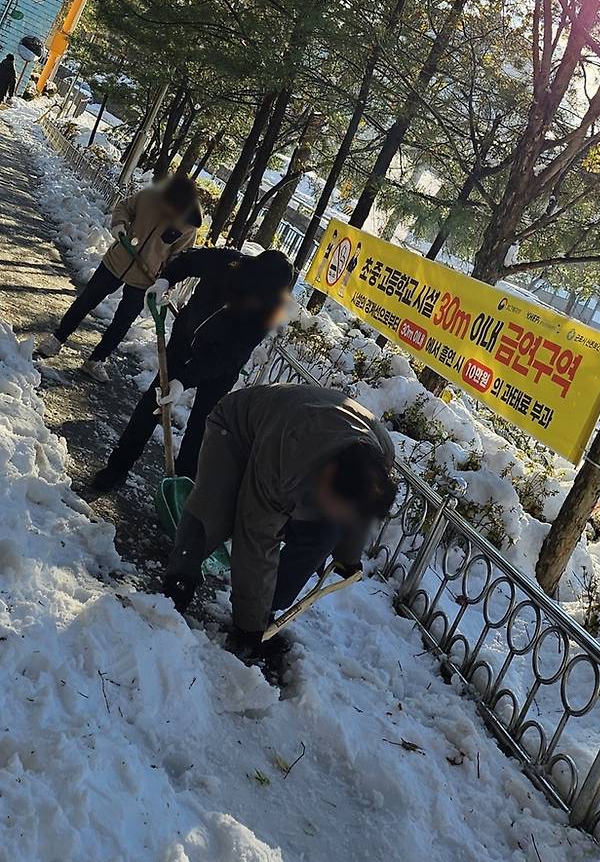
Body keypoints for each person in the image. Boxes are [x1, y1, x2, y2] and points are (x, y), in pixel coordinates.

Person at [163, 383, 397, 664]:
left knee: (324, 533)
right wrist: (248, 627)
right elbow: (257, 537)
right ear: (328, 476)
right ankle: (180, 578)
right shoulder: (288, 457)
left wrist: (348, 556)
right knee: (216, 509)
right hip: (238, 430)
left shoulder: (378, 460)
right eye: (338, 505)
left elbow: (357, 513)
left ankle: (267, 608)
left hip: (303, 433)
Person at [90, 247, 294, 491]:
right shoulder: (228, 263)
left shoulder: (267, 311)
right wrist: (164, 281)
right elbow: (188, 260)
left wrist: (183, 381)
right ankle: (117, 468)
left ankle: (184, 486)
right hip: (184, 343)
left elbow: (230, 357)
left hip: (218, 367)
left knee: (202, 425)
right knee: (152, 404)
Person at [37, 173, 202, 381]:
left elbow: (178, 258)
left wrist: (166, 280)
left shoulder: (188, 225)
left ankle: (96, 360)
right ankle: (57, 338)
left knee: (123, 320)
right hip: (117, 260)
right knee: (87, 300)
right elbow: (124, 207)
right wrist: (119, 226)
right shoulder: (149, 197)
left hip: (145, 278)